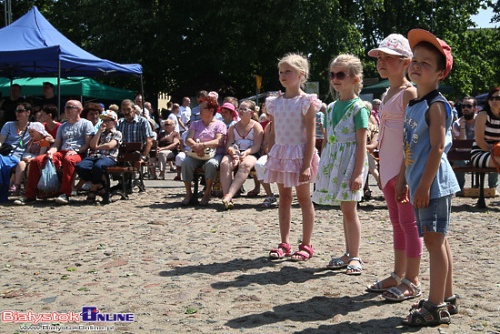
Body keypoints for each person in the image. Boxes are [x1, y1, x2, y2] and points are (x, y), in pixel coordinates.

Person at [399, 29, 460, 327]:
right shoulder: (414, 103)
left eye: (426, 62)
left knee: (434, 242)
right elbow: (410, 145)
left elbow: (437, 147)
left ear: (439, 74)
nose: (417, 65)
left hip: (433, 184)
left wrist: (422, 185)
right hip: (421, 182)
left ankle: (435, 305)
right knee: (439, 241)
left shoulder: (437, 105)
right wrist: (402, 180)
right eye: (415, 60)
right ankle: (446, 297)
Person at [365, 34, 422, 302]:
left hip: (403, 172)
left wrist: (405, 174)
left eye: (389, 58)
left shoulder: (410, 92)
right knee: (397, 223)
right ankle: (398, 274)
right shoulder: (388, 92)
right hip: (387, 169)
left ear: (406, 62)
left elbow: (413, 136)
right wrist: (376, 144)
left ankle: (413, 279)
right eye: (380, 57)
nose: (382, 62)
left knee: (409, 225)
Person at [312, 54, 370, 274]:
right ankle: (348, 253)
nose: (335, 79)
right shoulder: (331, 107)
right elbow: (328, 138)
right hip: (335, 161)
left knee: (349, 209)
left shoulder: (359, 108)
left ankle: (355, 255)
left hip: (351, 162)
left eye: (340, 74)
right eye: (332, 74)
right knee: (344, 209)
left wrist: (357, 174)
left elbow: (361, 143)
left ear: (355, 78)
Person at [264, 53, 321, 262]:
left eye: (288, 71)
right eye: (281, 71)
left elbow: (311, 135)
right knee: (284, 198)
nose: (283, 75)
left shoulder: (306, 102)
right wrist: (271, 153)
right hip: (281, 154)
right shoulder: (274, 103)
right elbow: (273, 130)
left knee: (304, 198)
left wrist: (306, 164)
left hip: (299, 155)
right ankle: (284, 242)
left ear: (301, 74)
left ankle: (306, 243)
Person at [15, 100, 94, 205]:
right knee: (36, 161)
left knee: (68, 160)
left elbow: (87, 144)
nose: (66, 110)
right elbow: (57, 143)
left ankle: (65, 193)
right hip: (62, 151)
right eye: (66, 107)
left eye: (70, 107)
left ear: (79, 110)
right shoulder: (63, 126)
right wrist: (51, 151)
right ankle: (30, 195)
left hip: (78, 153)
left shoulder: (86, 124)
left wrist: (76, 151)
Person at [181, 94, 226, 206]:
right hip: (196, 153)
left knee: (211, 164)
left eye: (202, 108)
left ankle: (207, 193)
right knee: (186, 163)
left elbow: (218, 142)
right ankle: (188, 193)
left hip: (214, 154)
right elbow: (188, 139)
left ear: (211, 110)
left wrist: (203, 145)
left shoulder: (220, 125)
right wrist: (196, 147)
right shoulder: (195, 124)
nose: (199, 111)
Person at [219, 100, 264, 209]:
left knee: (245, 165)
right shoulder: (233, 127)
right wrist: (233, 153)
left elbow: (256, 146)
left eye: (244, 109)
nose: (241, 111)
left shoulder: (256, 126)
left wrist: (246, 152)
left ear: (251, 113)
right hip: (235, 152)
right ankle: (227, 197)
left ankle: (229, 195)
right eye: (239, 109)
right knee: (225, 163)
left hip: (251, 153)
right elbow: (229, 144)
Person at [451, 96, 498, 194]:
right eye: (463, 106)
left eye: (468, 106)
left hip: (482, 152)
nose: (465, 109)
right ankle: (460, 189)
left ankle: (493, 188)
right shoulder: (457, 124)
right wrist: (463, 126)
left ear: (475, 108)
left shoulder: (484, 119)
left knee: (495, 157)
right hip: (464, 155)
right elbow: (461, 145)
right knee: (458, 161)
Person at [75, 110, 122, 203]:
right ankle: (100, 186)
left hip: (109, 157)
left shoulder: (117, 133)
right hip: (95, 156)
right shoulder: (100, 133)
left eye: (108, 120)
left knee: (98, 167)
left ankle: (93, 189)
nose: (105, 123)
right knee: (80, 167)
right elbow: (92, 145)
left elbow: (110, 146)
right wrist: (99, 132)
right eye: (103, 120)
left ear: (114, 122)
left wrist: (97, 147)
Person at [0, 102, 32, 203]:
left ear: (28, 112)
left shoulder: (33, 126)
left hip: (19, 156)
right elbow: (1, 141)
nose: (17, 113)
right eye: (16, 111)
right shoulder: (8, 125)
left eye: (20, 111)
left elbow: (46, 136)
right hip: (5, 153)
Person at [11, 122, 50, 195]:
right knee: (21, 164)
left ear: (39, 132)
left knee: (31, 166)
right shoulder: (31, 142)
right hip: (29, 158)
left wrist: (30, 160)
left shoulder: (44, 142)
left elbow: (41, 155)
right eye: (29, 132)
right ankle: (17, 184)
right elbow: (27, 152)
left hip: (39, 161)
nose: (31, 134)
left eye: (33, 132)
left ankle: (31, 186)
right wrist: (25, 158)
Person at [471, 87, 500, 175]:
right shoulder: (483, 115)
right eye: (491, 98)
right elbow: (479, 141)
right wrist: (493, 151)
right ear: (488, 101)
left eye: (498, 98)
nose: (494, 101)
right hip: (481, 152)